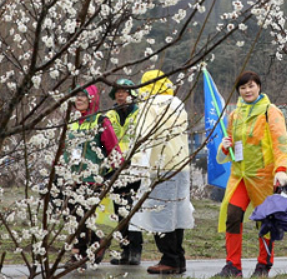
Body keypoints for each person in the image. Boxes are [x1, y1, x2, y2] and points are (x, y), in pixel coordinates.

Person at [215, 71, 287, 278]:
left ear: (259, 86)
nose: (247, 91)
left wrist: (281, 170)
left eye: (251, 86)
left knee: (265, 221)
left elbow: (281, 143)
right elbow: (230, 146)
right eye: (243, 88)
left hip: (264, 177)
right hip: (240, 176)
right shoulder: (235, 115)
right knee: (232, 216)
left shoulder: (271, 112)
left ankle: (263, 265)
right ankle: (233, 266)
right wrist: (225, 147)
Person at [131, 69, 195, 276]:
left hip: (161, 166)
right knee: (176, 213)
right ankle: (178, 258)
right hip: (181, 165)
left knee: (160, 213)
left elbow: (144, 136)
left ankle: (170, 259)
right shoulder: (177, 103)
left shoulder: (149, 105)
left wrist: (136, 163)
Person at [59, 85, 122, 266]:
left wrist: (114, 171)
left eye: (83, 96)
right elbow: (64, 149)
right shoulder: (71, 121)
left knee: (82, 216)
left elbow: (113, 148)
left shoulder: (100, 121)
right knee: (70, 214)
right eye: (76, 96)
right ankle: (96, 242)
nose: (78, 100)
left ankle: (78, 253)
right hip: (70, 176)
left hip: (91, 178)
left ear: (92, 99)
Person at [106, 78, 143, 266]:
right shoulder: (110, 114)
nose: (121, 95)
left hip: (134, 165)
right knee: (119, 209)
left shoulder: (139, 113)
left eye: (125, 91)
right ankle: (124, 249)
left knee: (132, 209)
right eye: (118, 92)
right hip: (115, 165)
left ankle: (136, 250)